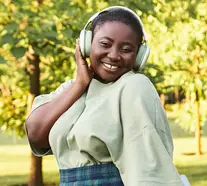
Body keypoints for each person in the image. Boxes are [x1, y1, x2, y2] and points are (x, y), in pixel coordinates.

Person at [25, 6, 184, 186]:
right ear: (86, 45)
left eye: (126, 49)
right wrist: (79, 84)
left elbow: (148, 167)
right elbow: (36, 134)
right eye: (105, 44)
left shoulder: (134, 86)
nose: (114, 55)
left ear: (139, 56)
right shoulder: (71, 88)